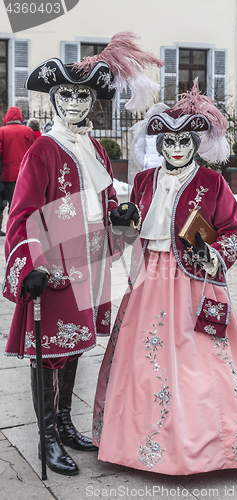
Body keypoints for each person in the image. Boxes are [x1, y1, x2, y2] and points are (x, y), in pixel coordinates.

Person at [2, 32, 162, 476]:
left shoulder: (94, 149)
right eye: (65, 94)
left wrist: (122, 216)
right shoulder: (43, 149)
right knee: (50, 352)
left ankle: (67, 424)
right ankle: (47, 436)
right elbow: (22, 214)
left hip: (90, 263)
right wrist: (30, 264)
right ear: (54, 100)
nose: (73, 103)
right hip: (55, 267)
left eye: (82, 95)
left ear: (93, 101)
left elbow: (105, 203)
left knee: (73, 348)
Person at [92, 79, 237, 475]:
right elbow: (129, 232)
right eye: (168, 144)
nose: (175, 150)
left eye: (183, 143)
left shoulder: (212, 182)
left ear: (195, 144)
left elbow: (232, 231)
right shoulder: (143, 181)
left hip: (193, 281)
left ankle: (211, 443)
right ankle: (136, 441)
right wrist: (121, 224)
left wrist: (214, 253)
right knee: (143, 362)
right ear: (160, 147)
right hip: (148, 278)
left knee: (200, 358)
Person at [0, 106, 35, 211]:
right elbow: (34, 153)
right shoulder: (28, 131)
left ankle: (12, 224)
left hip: (8, 174)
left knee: (12, 202)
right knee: (24, 203)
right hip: (26, 174)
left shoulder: (2, 132)